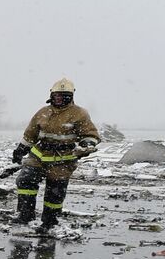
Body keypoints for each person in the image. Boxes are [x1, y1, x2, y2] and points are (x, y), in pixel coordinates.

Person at [11, 78, 101, 230]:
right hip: (38, 155)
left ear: (70, 97)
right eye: (57, 95)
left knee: (55, 190)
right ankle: (25, 214)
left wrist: (87, 144)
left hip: (63, 159)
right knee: (25, 180)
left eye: (63, 96)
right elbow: (30, 134)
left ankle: (50, 220)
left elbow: (90, 134)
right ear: (51, 95)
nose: (59, 98)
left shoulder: (79, 114)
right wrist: (21, 149)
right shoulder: (43, 112)